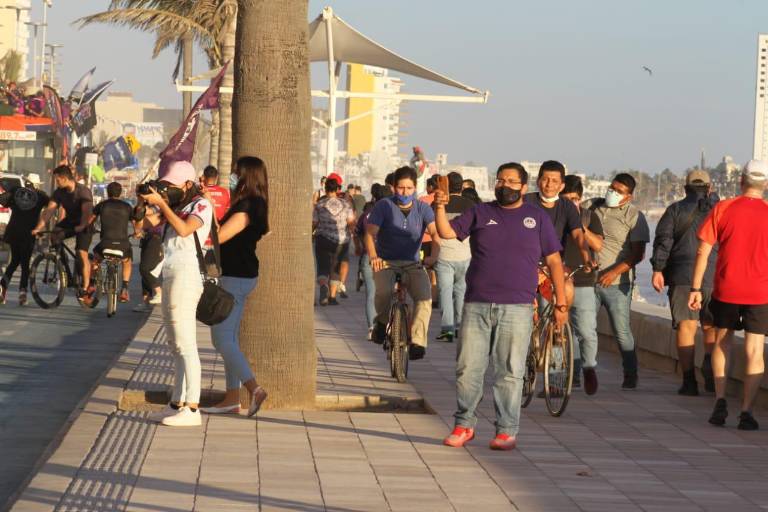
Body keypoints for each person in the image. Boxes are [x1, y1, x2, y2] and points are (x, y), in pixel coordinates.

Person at [436, 162, 567, 450]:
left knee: (509, 371)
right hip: (477, 304)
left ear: (523, 186)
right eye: (500, 180)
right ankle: (464, 425)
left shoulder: (537, 218)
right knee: (468, 367)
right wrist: (439, 206)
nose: (504, 185)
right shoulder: (480, 212)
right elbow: (446, 233)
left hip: (518, 307)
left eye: (511, 181)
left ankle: (506, 430)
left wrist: (561, 301)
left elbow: (555, 261)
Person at [689, 160, 768, 431]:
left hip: (727, 288)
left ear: (741, 181)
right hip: (761, 292)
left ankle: (720, 399)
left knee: (723, 341)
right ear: (766, 185)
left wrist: (696, 288)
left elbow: (703, 251)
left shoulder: (723, 208)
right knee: (754, 349)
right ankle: (746, 411)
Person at [138, 160, 213, 427]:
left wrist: (162, 204)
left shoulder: (201, 205)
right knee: (174, 344)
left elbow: (184, 229)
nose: (167, 190)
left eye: (171, 186)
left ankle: (192, 408)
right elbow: (147, 224)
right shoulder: (178, 207)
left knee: (186, 343)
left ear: (188, 185)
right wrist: (145, 201)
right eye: (165, 186)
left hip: (188, 275)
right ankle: (177, 403)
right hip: (171, 273)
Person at [201, 156, 269, 417]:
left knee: (221, 339)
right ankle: (231, 398)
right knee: (229, 338)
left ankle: (254, 389)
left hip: (236, 278)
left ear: (246, 176)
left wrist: (207, 204)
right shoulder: (252, 203)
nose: (231, 176)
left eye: (234, 173)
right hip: (240, 275)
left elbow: (219, 237)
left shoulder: (249, 206)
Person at [651, 170, 717, 396]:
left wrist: (658, 269)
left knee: (686, 328)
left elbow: (663, 241)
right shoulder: (719, 210)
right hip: (714, 277)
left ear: (685, 188)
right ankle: (711, 367)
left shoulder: (675, 210)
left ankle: (689, 381)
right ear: (709, 188)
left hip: (682, 277)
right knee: (711, 325)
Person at [365, 166, 440, 361]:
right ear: (393, 187)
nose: (404, 192)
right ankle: (381, 322)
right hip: (386, 262)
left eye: (409, 188)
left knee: (424, 299)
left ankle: (417, 341)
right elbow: (370, 233)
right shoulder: (384, 206)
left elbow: (435, 234)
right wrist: (374, 257)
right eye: (400, 188)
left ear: (415, 188)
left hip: (413, 263)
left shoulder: (423, 208)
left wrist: (434, 256)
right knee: (382, 292)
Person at [589, 173, 650, 389]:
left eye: (619, 191)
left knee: (621, 331)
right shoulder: (593, 208)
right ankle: (578, 374)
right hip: (589, 281)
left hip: (618, 285)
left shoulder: (635, 216)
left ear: (628, 197)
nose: (612, 193)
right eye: (611, 188)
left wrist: (614, 272)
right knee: (583, 328)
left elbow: (637, 254)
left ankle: (630, 374)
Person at [559, 175, 604, 394]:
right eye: (566, 199)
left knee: (586, 331)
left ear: (581, 199)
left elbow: (598, 245)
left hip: (583, 281)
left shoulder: (589, 217)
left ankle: (588, 367)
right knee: (558, 332)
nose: (570, 203)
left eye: (574, 199)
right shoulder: (552, 217)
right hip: (557, 280)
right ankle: (559, 378)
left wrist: (580, 225)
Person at [33, 165, 95, 306]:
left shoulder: (83, 191)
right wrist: (38, 228)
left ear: (65, 178)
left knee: (81, 253)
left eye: (57, 180)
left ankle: (85, 288)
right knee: (54, 235)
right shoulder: (59, 192)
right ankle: (62, 264)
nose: (56, 182)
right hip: (70, 221)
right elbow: (49, 211)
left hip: (84, 223)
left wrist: (82, 225)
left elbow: (87, 211)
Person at [434, 172, 475, 342]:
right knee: (460, 292)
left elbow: (433, 229)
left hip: (444, 255)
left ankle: (447, 330)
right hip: (465, 256)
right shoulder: (472, 205)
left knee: (445, 293)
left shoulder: (438, 205)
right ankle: (459, 326)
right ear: (462, 186)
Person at [0, 173, 49, 305]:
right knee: (25, 264)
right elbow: (52, 206)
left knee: (14, 261)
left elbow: (2, 200)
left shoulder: (16, 192)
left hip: (14, 231)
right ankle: (22, 293)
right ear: (37, 184)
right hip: (28, 233)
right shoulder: (40, 196)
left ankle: (2, 288)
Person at [89, 182, 138, 303]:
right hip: (122, 245)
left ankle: (91, 284)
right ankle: (125, 288)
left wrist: (89, 228)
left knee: (95, 258)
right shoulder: (127, 207)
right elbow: (135, 224)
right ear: (120, 193)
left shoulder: (102, 205)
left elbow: (90, 221)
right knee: (127, 261)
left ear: (108, 192)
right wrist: (137, 233)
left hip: (105, 243)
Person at [354, 183, 390, 339]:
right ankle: (387, 325)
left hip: (368, 256)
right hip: (389, 257)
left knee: (371, 293)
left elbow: (357, 233)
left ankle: (371, 328)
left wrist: (359, 247)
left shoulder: (367, 214)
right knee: (388, 293)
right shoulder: (394, 214)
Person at [313, 177, 355, 306]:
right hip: (341, 241)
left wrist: (311, 233)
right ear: (337, 189)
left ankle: (323, 287)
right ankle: (332, 297)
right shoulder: (345, 204)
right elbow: (351, 222)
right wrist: (351, 234)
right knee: (335, 268)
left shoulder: (319, 205)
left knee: (323, 266)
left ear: (325, 189)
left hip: (323, 239)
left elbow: (314, 222)